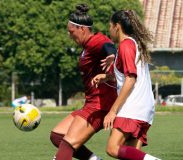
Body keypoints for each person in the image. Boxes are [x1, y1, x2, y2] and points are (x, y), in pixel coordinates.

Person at [50, 4, 117, 160]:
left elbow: (107, 45)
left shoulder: (95, 41)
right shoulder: (86, 47)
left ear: (82, 29)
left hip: (100, 105)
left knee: (67, 144)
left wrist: (112, 55)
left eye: (71, 31)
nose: (69, 35)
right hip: (91, 103)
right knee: (57, 136)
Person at [91, 10, 160, 160]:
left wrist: (113, 111)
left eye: (110, 26)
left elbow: (130, 79)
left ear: (117, 26)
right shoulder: (133, 45)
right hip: (144, 109)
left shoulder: (126, 45)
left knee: (112, 148)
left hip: (132, 108)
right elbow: (127, 76)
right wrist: (107, 77)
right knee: (131, 155)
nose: (109, 30)